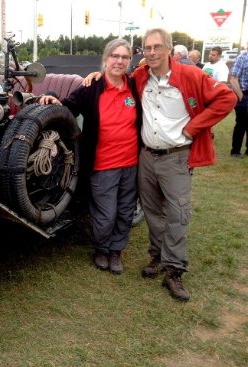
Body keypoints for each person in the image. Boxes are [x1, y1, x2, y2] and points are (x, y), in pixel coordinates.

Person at [84, 28, 237, 301]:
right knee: (152, 212)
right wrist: (95, 76)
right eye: (147, 48)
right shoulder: (140, 77)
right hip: (145, 156)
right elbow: (113, 77)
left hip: (176, 156)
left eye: (157, 47)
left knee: (178, 214)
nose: (152, 52)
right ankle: (157, 258)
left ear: (168, 48)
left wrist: (194, 127)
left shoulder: (190, 75)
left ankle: (175, 271)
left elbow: (227, 98)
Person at [40, 39, 141, 275]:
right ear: (106, 59)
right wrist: (52, 99)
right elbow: (68, 108)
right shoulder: (91, 87)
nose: (119, 61)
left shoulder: (135, 87)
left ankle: (116, 251)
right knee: (105, 214)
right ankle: (101, 249)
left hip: (132, 163)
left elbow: (152, 65)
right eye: (114, 56)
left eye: (125, 57)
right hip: (103, 163)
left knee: (125, 211)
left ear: (129, 61)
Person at [229, 51, 248, 158]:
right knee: (241, 124)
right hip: (244, 94)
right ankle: (235, 151)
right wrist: (241, 96)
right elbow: (233, 78)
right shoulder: (242, 57)